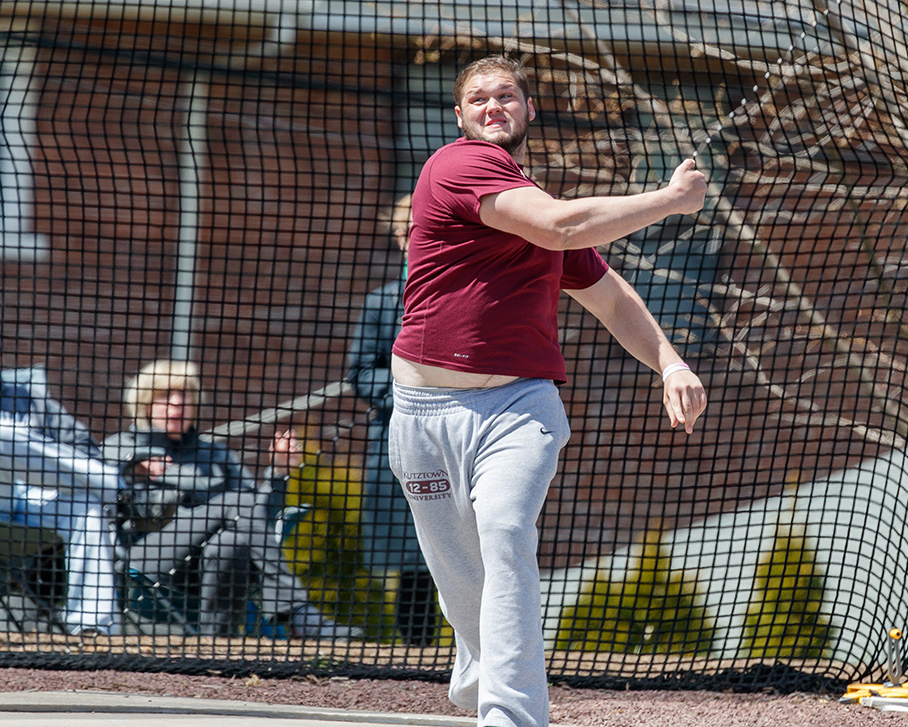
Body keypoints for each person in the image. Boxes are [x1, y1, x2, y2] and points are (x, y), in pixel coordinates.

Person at [388, 55, 708, 727]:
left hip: (518, 407)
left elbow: (609, 297)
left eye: (507, 95)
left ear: (530, 110)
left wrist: (671, 363)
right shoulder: (457, 166)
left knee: (506, 534)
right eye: (479, 98)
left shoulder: (536, 204)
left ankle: (511, 715)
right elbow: (560, 225)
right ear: (460, 116)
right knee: (462, 580)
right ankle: (482, 665)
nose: (494, 106)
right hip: (424, 412)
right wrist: (670, 200)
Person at [100, 359, 359, 639]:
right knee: (235, 503)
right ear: (145, 404)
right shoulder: (118, 449)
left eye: (185, 395)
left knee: (231, 543)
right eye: (165, 395)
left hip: (203, 565)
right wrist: (133, 471)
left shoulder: (216, 454)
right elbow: (107, 505)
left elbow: (258, 516)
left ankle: (215, 646)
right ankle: (298, 612)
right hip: (147, 556)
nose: (177, 403)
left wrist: (279, 474)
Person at [347, 194, 438, 647]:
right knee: (411, 555)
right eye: (405, 232)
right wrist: (410, 385)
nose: (411, 240)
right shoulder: (382, 302)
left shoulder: (458, 292)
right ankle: (416, 650)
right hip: (401, 437)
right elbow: (360, 372)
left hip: (459, 436)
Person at [0, 366, 122, 636]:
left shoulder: (27, 397)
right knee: (3, 435)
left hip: (32, 498)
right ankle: (117, 488)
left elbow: (81, 442)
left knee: (85, 507)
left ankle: (92, 626)